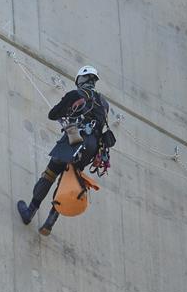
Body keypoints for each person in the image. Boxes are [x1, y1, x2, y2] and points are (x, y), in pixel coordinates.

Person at [17, 65, 116, 235]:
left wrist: (68, 112)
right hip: (91, 150)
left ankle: (30, 212)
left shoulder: (76, 95)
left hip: (75, 140)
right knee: (67, 180)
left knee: (50, 174)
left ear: (81, 80)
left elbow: (53, 114)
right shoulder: (104, 104)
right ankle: (49, 222)